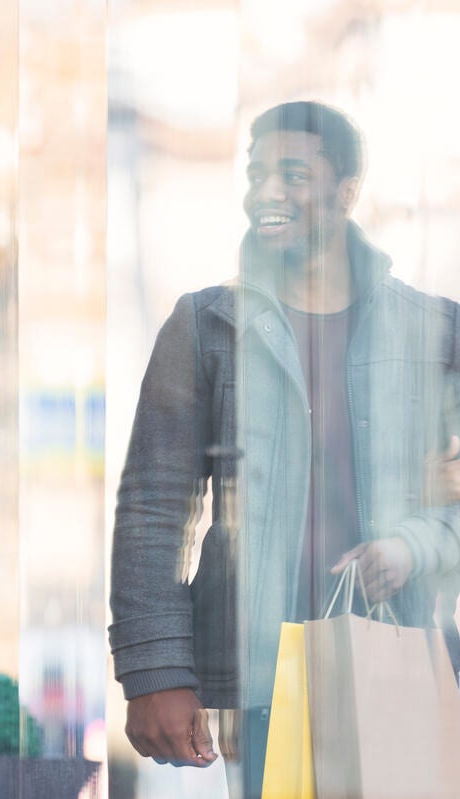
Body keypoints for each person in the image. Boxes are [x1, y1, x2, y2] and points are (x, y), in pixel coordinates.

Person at [108, 101, 460, 796]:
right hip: (260, 674)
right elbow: (153, 509)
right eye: (257, 173)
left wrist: (420, 534)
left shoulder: (435, 330)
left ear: (348, 190)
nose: (267, 191)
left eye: (293, 173)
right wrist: (155, 671)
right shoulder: (205, 324)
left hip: (407, 655)